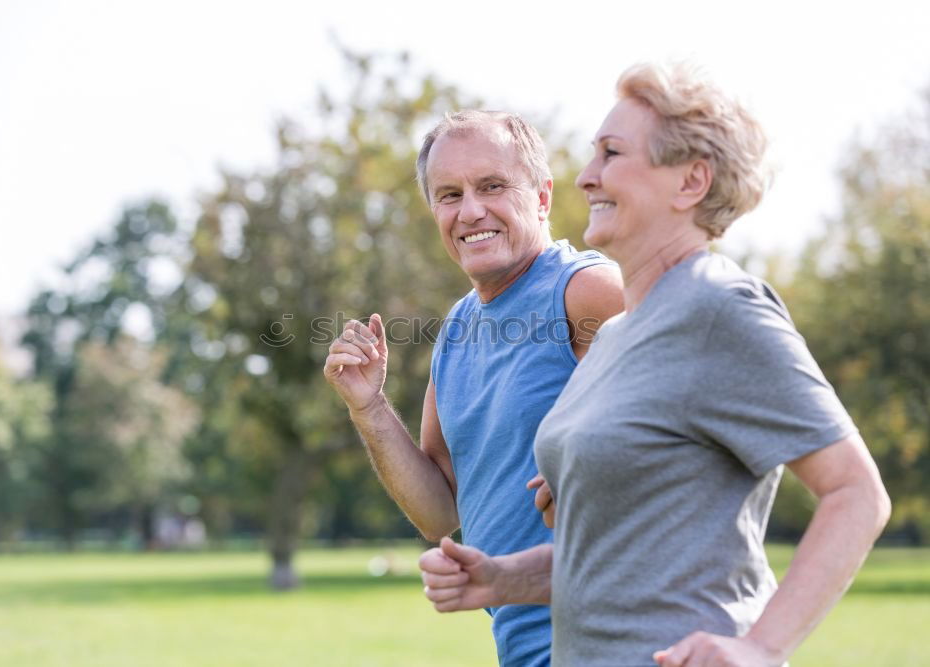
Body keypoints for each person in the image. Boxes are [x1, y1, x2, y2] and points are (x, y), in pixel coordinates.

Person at [418, 63, 891, 666]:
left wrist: (762, 646)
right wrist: (502, 578)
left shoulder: (718, 307)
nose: (587, 177)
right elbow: (639, 550)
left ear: (691, 181)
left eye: (611, 154)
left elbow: (857, 492)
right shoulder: (619, 333)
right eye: (593, 156)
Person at [323, 110, 624, 666]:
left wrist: (602, 469)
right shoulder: (457, 332)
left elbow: (700, 418)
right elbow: (441, 514)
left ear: (541, 196)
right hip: (525, 648)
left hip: (617, 641)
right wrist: (369, 407)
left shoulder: (588, 293)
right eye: (449, 194)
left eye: (491, 186)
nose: (470, 211)